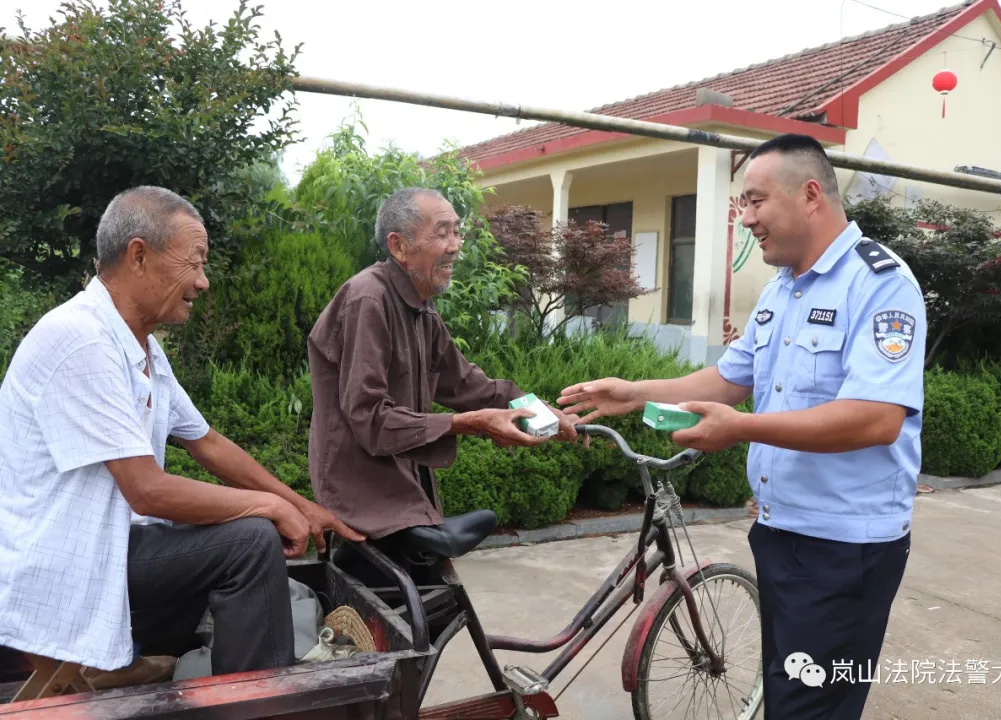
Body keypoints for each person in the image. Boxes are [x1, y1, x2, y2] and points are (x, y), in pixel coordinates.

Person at [558, 134, 926, 719]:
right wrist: (634, 393)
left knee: (811, 706)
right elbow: (732, 379)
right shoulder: (784, 288)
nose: (746, 218)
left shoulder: (879, 283)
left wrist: (742, 429)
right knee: (787, 694)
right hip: (782, 532)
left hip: (844, 547)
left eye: (755, 201)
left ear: (810, 195)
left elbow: (877, 418)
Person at [0, 186, 363, 684]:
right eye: (194, 262)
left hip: (114, 546)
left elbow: (206, 442)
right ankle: (253, 707)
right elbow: (147, 491)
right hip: (69, 562)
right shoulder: (81, 339)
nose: (204, 281)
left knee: (245, 532)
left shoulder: (140, 345)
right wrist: (269, 508)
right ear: (139, 256)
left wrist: (298, 504)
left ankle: (128, 665)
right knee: (251, 542)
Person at [307, 187, 579, 586]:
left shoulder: (419, 308)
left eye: (457, 232)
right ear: (399, 246)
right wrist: (468, 423)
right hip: (366, 494)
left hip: (403, 489)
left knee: (430, 616)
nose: (455, 246)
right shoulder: (368, 299)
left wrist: (540, 410)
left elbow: (466, 382)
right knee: (396, 625)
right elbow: (369, 418)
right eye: (442, 233)